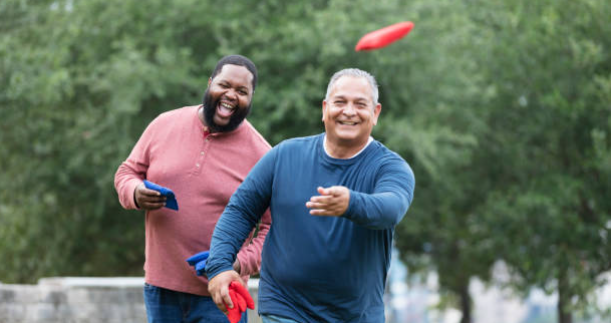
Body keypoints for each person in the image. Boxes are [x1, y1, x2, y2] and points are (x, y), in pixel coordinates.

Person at [205, 68, 415, 322]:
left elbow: (391, 209)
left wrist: (351, 203)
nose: (349, 111)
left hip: (356, 315)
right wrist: (219, 266)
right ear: (325, 108)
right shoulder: (284, 156)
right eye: (340, 102)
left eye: (360, 104)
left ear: (375, 113)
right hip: (285, 307)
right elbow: (241, 210)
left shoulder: (390, 167)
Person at [114, 54, 272, 323]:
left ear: (251, 98)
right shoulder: (164, 124)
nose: (231, 95)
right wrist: (135, 193)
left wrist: (234, 263)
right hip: (160, 288)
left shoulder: (262, 156)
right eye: (224, 85)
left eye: (242, 91)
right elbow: (127, 172)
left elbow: (273, 229)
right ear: (210, 83)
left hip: (222, 294)